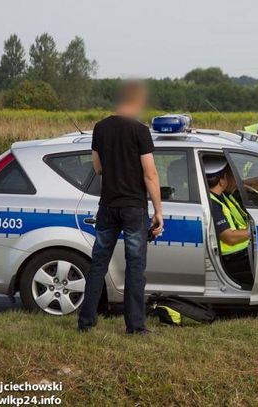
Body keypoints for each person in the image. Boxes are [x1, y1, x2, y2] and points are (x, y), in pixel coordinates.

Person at [78, 81, 164, 335]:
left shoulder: (100, 128)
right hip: (133, 207)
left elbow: (98, 168)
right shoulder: (140, 131)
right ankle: (135, 326)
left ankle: (86, 321)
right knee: (135, 265)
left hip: (108, 206)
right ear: (137, 102)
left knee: (98, 264)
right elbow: (150, 174)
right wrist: (158, 211)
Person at [204, 157, 253, 288]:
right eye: (230, 175)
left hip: (243, 251)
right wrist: (254, 233)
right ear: (222, 180)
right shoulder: (213, 203)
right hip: (232, 259)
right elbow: (229, 237)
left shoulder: (223, 196)